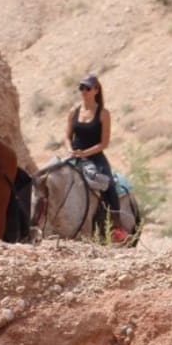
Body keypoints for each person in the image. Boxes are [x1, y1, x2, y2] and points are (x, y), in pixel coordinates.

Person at [65, 74, 128, 243]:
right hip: (74, 156)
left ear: (96, 90)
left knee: (109, 186)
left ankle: (117, 227)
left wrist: (85, 154)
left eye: (87, 88)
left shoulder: (103, 114)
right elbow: (67, 137)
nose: (83, 91)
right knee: (50, 178)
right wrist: (70, 150)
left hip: (95, 157)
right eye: (81, 88)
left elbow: (104, 143)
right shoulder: (73, 111)